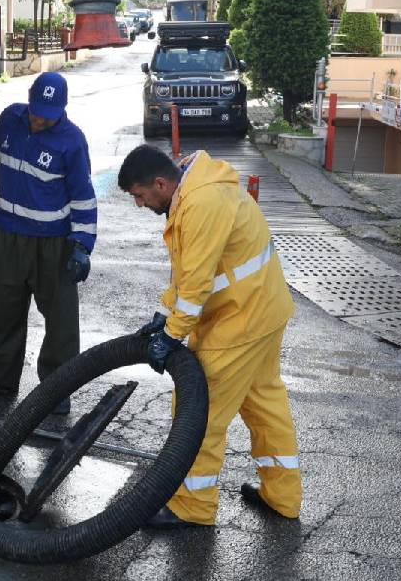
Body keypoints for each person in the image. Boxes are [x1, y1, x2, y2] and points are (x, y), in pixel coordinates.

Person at [118, 144, 302, 528]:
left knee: (198, 412)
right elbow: (189, 271)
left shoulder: (201, 203)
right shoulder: (195, 186)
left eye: (140, 196)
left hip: (239, 321)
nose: (139, 204)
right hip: (262, 308)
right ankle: (283, 497)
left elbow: (198, 281)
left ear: (160, 183)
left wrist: (171, 334)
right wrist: (165, 314)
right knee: (264, 404)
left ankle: (193, 507)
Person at [0, 72, 97, 416]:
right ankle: (0, 382)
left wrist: (82, 245)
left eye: (48, 113)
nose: (40, 118)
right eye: (36, 109)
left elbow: (84, 198)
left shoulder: (72, 142)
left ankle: (56, 391)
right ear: (28, 101)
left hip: (53, 245)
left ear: (61, 109)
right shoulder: (12, 118)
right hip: (8, 238)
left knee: (61, 322)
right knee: (4, 311)